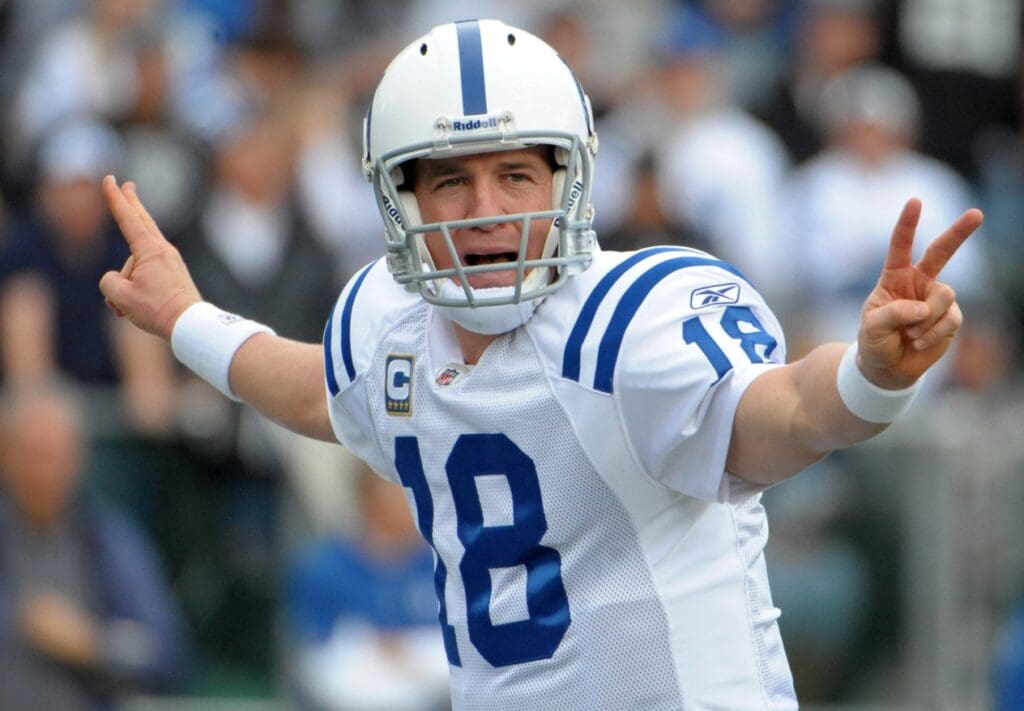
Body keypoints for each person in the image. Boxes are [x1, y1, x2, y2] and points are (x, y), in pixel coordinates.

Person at [97, 19, 982, 710]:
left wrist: (873, 374)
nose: (483, 210)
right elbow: (319, 394)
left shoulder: (631, 320)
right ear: (399, 197)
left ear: (569, 181)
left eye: (516, 175)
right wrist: (187, 320)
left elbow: (783, 411)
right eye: (449, 181)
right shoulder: (390, 325)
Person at [0, 379, 189, 709]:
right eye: (30, 455)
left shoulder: (109, 540)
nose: (41, 473)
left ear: (78, 458)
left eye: (52, 456)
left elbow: (165, 652)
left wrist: (90, 642)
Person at [285, 466, 449, 710]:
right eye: (397, 494)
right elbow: (316, 655)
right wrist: (373, 652)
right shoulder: (325, 565)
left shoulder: (443, 565)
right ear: (369, 499)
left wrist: (409, 653)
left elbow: (463, 655)